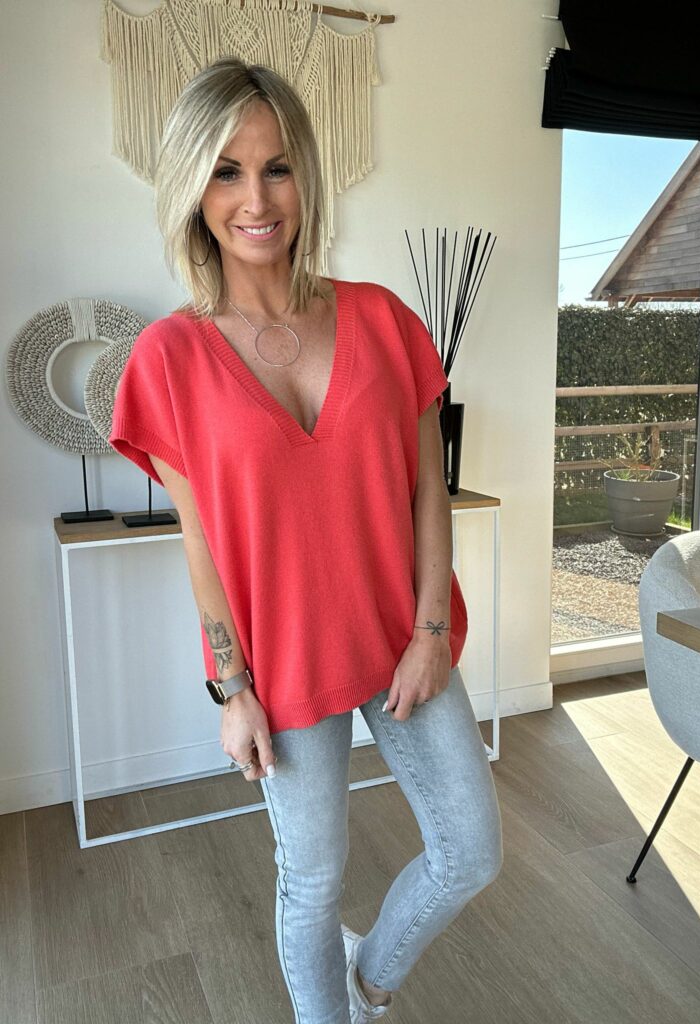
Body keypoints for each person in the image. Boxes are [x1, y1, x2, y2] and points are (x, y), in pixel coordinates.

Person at [109, 57, 503, 1024]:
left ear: (306, 176)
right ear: (193, 188)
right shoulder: (169, 357)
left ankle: (365, 986)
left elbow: (428, 491)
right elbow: (201, 545)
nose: (257, 199)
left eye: (277, 167)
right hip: (282, 669)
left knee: (471, 851)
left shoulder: (383, 319)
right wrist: (230, 687)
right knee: (313, 881)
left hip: (401, 642)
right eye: (227, 171)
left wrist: (430, 633)